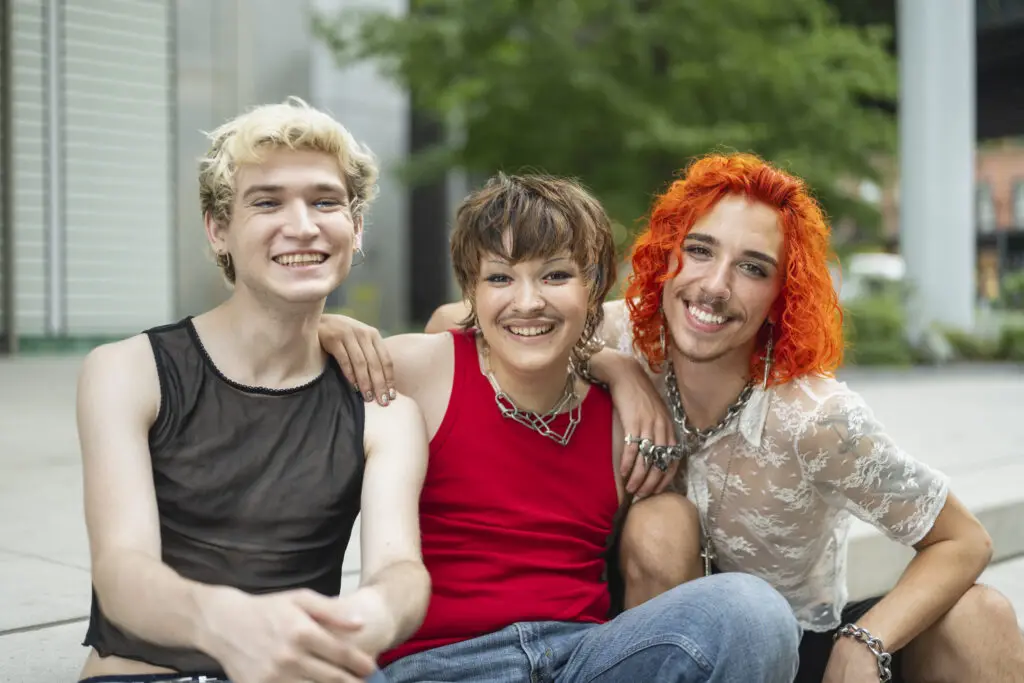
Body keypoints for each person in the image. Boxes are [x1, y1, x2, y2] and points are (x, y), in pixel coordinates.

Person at [369, 154, 1024, 683]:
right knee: (662, 519)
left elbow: (964, 539)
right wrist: (616, 369)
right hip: (626, 643)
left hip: (782, 643)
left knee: (981, 615)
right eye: (701, 251)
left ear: (782, 294)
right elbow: (475, 326)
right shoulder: (623, 336)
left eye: (753, 268)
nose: (714, 286)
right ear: (667, 257)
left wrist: (864, 641)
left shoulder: (816, 417)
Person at [318, 172, 802, 682]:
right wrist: (320, 328)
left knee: (754, 609)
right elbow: (274, 383)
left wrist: (620, 370)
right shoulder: (417, 369)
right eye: (500, 278)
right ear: (473, 292)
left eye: (555, 276)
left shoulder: (624, 420)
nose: (528, 302)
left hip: (581, 659)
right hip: (437, 666)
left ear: (593, 287)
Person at [75, 98, 430, 683]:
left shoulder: (383, 411)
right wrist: (233, 624)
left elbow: (399, 568)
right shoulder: (128, 371)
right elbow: (121, 572)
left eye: (326, 202)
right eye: (267, 202)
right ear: (219, 230)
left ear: (356, 227)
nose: (303, 225)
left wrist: (368, 616)